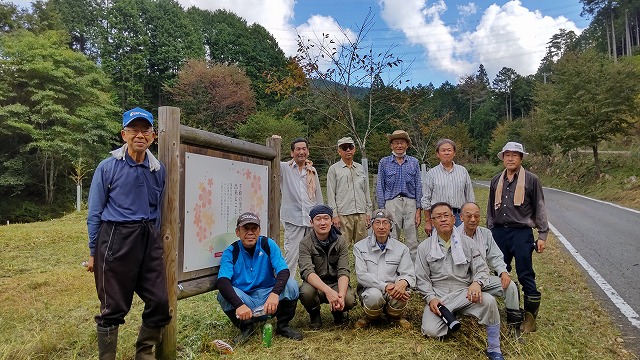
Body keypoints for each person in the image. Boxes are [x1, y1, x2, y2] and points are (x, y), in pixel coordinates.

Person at [86, 107, 170, 360]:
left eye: (145, 130)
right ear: (124, 134)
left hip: (148, 238)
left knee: (160, 301)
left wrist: (154, 236)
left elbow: (157, 207)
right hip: (115, 238)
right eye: (134, 130)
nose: (140, 135)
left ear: (153, 136)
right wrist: (93, 252)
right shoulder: (108, 167)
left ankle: (144, 354)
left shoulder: (158, 169)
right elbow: (94, 212)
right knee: (113, 306)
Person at [415, 202, 504, 360]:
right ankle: (450, 317)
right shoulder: (424, 247)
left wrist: (477, 283)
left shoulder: (467, 243)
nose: (443, 220)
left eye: (446, 215)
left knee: (489, 301)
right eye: (438, 217)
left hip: (464, 292)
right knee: (430, 331)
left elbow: (482, 269)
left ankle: (494, 347)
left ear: (453, 219)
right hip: (440, 296)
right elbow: (421, 279)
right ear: (433, 222)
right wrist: (430, 298)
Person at [487, 141, 548, 333]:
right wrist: (489, 232)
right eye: (507, 155)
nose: (510, 158)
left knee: (525, 274)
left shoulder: (531, 180)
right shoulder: (496, 180)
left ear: (521, 158)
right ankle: (511, 311)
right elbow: (490, 209)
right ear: (503, 158)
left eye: (515, 155)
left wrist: (542, 235)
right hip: (498, 232)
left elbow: (540, 207)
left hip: (521, 234)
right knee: (499, 272)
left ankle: (530, 320)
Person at [216, 212, 303, 344]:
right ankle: (246, 328)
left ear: (259, 231)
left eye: (254, 228)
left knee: (291, 285)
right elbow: (223, 282)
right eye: (246, 229)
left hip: (269, 296)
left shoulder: (268, 244)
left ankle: (283, 326)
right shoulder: (231, 252)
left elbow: (283, 271)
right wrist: (239, 305)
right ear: (237, 232)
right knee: (223, 295)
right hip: (245, 298)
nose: (250, 232)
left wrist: (274, 294)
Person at [458, 202, 524, 333]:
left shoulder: (485, 234)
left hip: (482, 278)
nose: (473, 219)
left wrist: (503, 272)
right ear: (461, 217)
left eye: (476, 216)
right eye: (469, 216)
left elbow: (495, 256)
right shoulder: (455, 236)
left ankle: (514, 327)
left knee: (510, 286)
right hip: (461, 281)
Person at [353, 209, 415, 329]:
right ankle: (370, 317)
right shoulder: (359, 247)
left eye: (385, 222)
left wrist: (402, 283)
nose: (381, 227)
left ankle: (395, 317)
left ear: (391, 226)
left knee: (402, 293)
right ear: (371, 225)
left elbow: (408, 272)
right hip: (371, 289)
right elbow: (361, 275)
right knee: (374, 297)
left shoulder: (401, 248)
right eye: (377, 222)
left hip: (393, 290)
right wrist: (385, 286)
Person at [298, 205, 355, 329]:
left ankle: (338, 312)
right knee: (305, 292)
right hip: (316, 285)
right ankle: (314, 315)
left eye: (326, 218)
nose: (322, 223)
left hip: (335, 282)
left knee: (349, 298)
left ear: (331, 221)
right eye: (318, 219)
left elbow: (344, 271)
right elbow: (307, 272)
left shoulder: (340, 242)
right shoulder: (305, 243)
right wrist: (328, 292)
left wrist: (340, 295)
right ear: (311, 222)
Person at [375, 130, 422, 261]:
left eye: (402, 143)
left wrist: (419, 208)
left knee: (412, 239)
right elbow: (380, 186)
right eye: (396, 143)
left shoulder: (414, 162)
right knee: (392, 237)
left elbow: (418, 185)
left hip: (410, 202)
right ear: (391, 145)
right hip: (391, 202)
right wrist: (382, 208)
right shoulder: (384, 162)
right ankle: (392, 266)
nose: (399, 146)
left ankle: (413, 271)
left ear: (407, 145)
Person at [280, 137, 324, 276]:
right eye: (298, 149)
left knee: (314, 256)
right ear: (292, 153)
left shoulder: (312, 171)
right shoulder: (284, 168)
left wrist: (322, 216)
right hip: (293, 218)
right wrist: (275, 141)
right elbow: (270, 159)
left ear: (308, 151)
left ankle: (313, 288)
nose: (301, 152)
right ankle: (287, 289)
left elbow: (318, 196)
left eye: (304, 149)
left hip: (311, 219)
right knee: (291, 255)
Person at [422, 139, 475, 233]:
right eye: (443, 150)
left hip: (460, 216)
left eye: (449, 150)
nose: (446, 153)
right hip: (439, 217)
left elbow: (469, 196)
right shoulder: (431, 173)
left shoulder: (462, 171)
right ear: (438, 154)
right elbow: (426, 199)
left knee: (461, 244)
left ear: (454, 153)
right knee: (440, 245)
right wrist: (427, 221)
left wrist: (471, 217)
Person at [326, 136, 372, 244]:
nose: (348, 150)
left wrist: (368, 212)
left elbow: (366, 191)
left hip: (361, 213)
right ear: (339, 151)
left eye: (350, 147)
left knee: (363, 248)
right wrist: (334, 215)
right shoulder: (333, 169)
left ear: (354, 149)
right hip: (343, 214)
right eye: (344, 147)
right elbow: (330, 193)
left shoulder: (360, 168)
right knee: (342, 247)